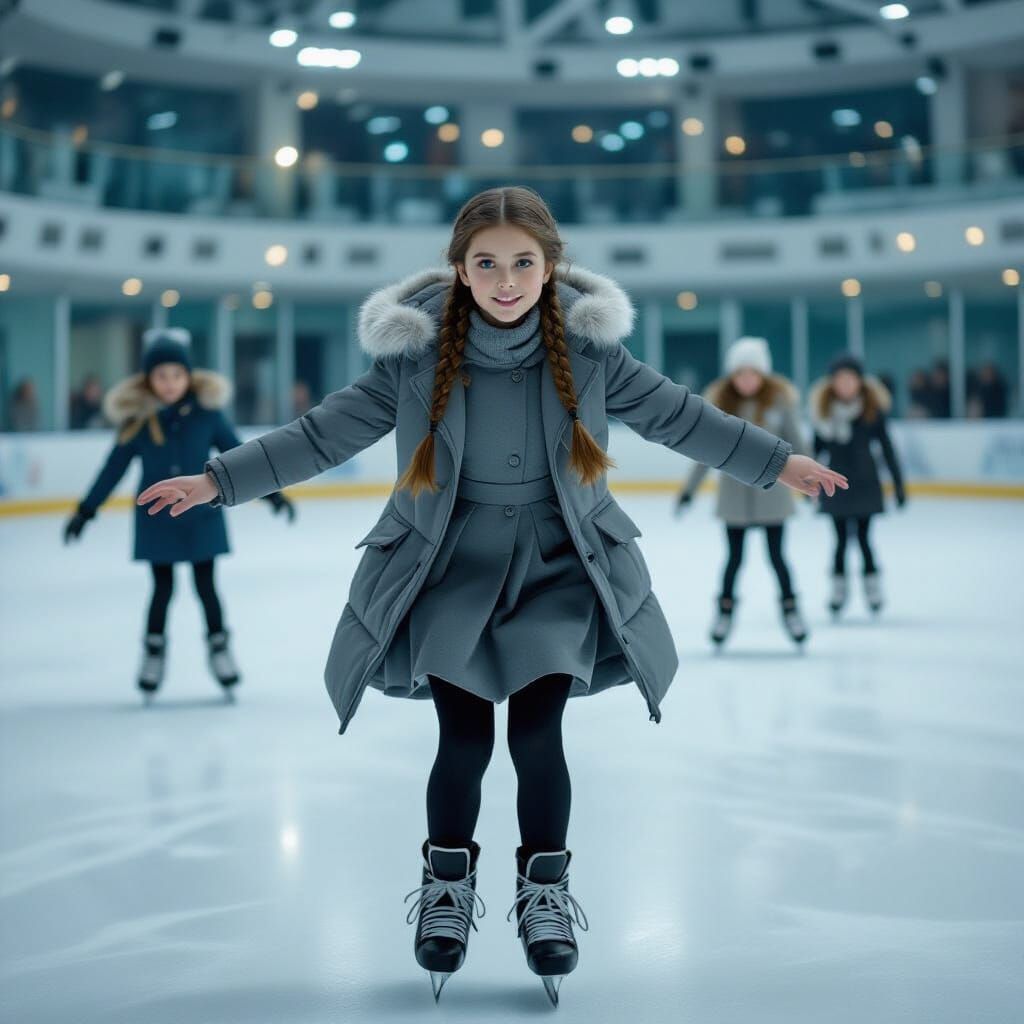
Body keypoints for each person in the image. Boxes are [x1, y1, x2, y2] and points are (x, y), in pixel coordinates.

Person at [136, 187, 846, 1006]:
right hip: (450, 569)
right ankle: (447, 891)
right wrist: (217, 481)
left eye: (522, 262)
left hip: (556, 567)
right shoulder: (412, 360)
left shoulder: (590, 357)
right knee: (465, 739)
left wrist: (776, 461)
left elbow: (683, 418)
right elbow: (322, 434)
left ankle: (544, 901)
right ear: (459, 269)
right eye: (486, 263)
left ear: (550, 269)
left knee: (539, 736)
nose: (505, 280)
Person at [63, 328, 295, 699]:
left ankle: (220, 652)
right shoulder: (137, 421)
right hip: (157, 518)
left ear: (188, 377)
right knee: (162, 588)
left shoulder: (208, 415)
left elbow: (238, 456)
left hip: (202, 515)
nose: (169, 383)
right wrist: (85, 511)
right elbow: (113, 468)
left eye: (176, 375)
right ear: (149, 380)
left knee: (207, 586)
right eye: (161, 376)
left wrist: (272, 495)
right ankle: (153, 654)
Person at [676, 337, 810, 647]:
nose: (746, 379)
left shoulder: (779, 405)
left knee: (777, 557)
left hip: (773, 497)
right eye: (740, 373)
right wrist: (689, 492)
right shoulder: (721, 409)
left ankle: (791, 610)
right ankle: (724, 611)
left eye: (752, 373)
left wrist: (809, 484)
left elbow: (798, 447)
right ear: (732, 376)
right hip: (734, 500)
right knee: (734, 559)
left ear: (763, 375)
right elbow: (704, 453)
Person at [811, 353, 905, 617]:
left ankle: (872, 587)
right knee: (840, 541)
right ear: (832, 384)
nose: (845, 385)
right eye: (840, 380)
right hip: (834, 485)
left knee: (864, 539)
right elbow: (814, 453)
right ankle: (838, 590)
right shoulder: (824, 414)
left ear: (860, 382)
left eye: (850, 379)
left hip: (865, 484)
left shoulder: (871, 412)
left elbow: (887, 449)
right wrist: (808, 485)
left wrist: (898, 485)